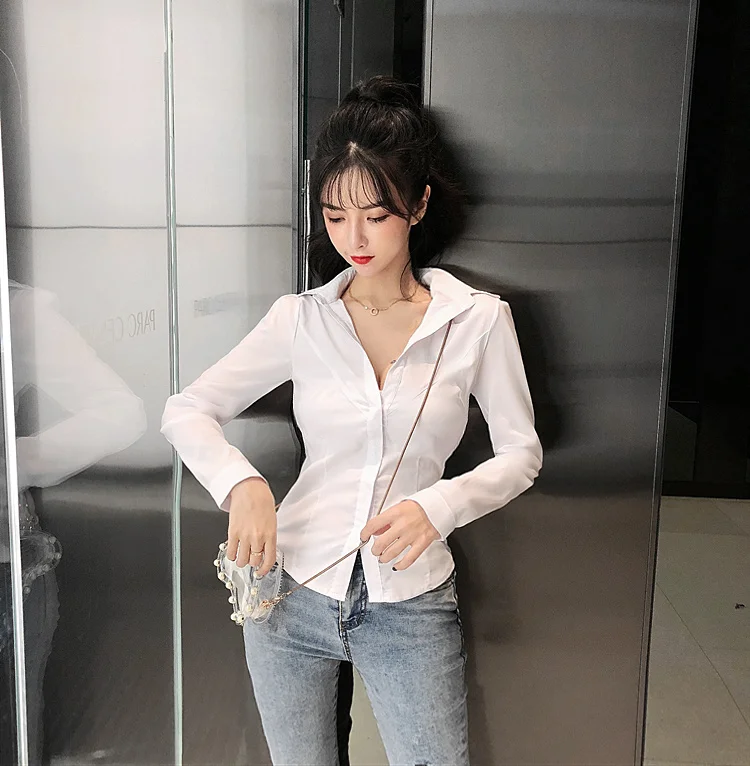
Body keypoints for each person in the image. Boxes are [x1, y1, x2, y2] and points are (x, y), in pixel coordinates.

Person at [161, 75, 542, 766]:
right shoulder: (302, 319)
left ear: (418, 204)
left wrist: (440, 505)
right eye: (335, 216)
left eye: (376, 213)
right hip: (287, 592)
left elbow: (522, 453)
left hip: (410, 601)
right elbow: (186, 409)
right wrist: (242, 485)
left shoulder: (477, 320)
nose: (354, 238)